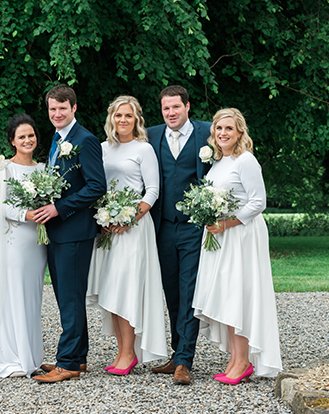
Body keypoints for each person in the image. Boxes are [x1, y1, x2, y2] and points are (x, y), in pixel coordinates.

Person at [192, 108, 283, 384]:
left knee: (238, 295)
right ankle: (234, 358)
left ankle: (243, 361)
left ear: (240, 132)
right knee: (225, 295)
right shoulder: (218, 162)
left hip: (241, 236)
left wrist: (226, 223)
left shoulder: (246, 161)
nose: (222, 133)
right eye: (218, 129)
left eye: (229, 129)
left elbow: (258, 202)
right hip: (220, 236)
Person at [86, 96, 167, 375]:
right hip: (107, 228)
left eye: (128, 116)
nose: (122, 120)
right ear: (111, 118)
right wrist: (103, 216)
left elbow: (153, 190)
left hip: (133, 228)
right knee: (112, 289)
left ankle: (129, 353)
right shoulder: (101, 149)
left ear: (136, 120)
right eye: (118, 115)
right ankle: (122, 351)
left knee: (127, 288)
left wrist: (130, 217)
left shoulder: (143, 149)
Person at [32, 84, 106, 383]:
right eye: (52, 109)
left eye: (62, 108)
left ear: (74, 108)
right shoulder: (56, 138)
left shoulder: (84, 140)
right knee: (66, 296)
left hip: (74, 230)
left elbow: (96, 186)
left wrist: (58, 208)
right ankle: (78, 356)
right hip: (58, 231)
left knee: (71, 296)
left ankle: (67, 363)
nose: (57, 114)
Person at [0, 114, 47, 378]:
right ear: (12, 142)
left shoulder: (43, 169)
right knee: (13, 295)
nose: (28, 140)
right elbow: (1, 207)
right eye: (22, 137)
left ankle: (31, 355)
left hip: (37, 244)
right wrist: (26, 214)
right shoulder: (5, 169)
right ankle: (11, 358)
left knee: (32, 296)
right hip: (15, 240)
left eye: (31, 135)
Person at [147, 85, 212, 385]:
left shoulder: (208, 133)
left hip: (193, 227)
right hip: (162, 227)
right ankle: (177, 352)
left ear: (188, 106)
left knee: (188, 292)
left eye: (176, 107)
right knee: (171, 292)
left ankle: (185, 360)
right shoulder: (151, 135)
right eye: (166, 108)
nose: (171, 113)